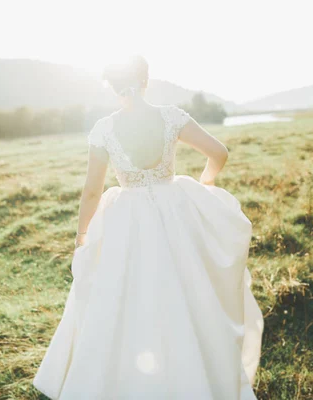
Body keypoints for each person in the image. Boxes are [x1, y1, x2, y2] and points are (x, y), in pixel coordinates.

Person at [32, 55, 264, 399]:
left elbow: (93, 190)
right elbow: (219, 152)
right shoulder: (171, 117)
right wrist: (206, 181)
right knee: (187, 290)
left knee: (123, 295)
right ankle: (195, 373)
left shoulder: (105, 129)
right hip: (176, 211)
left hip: (126, 217)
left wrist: (82, 235)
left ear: (112, 86)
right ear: (146, 80)